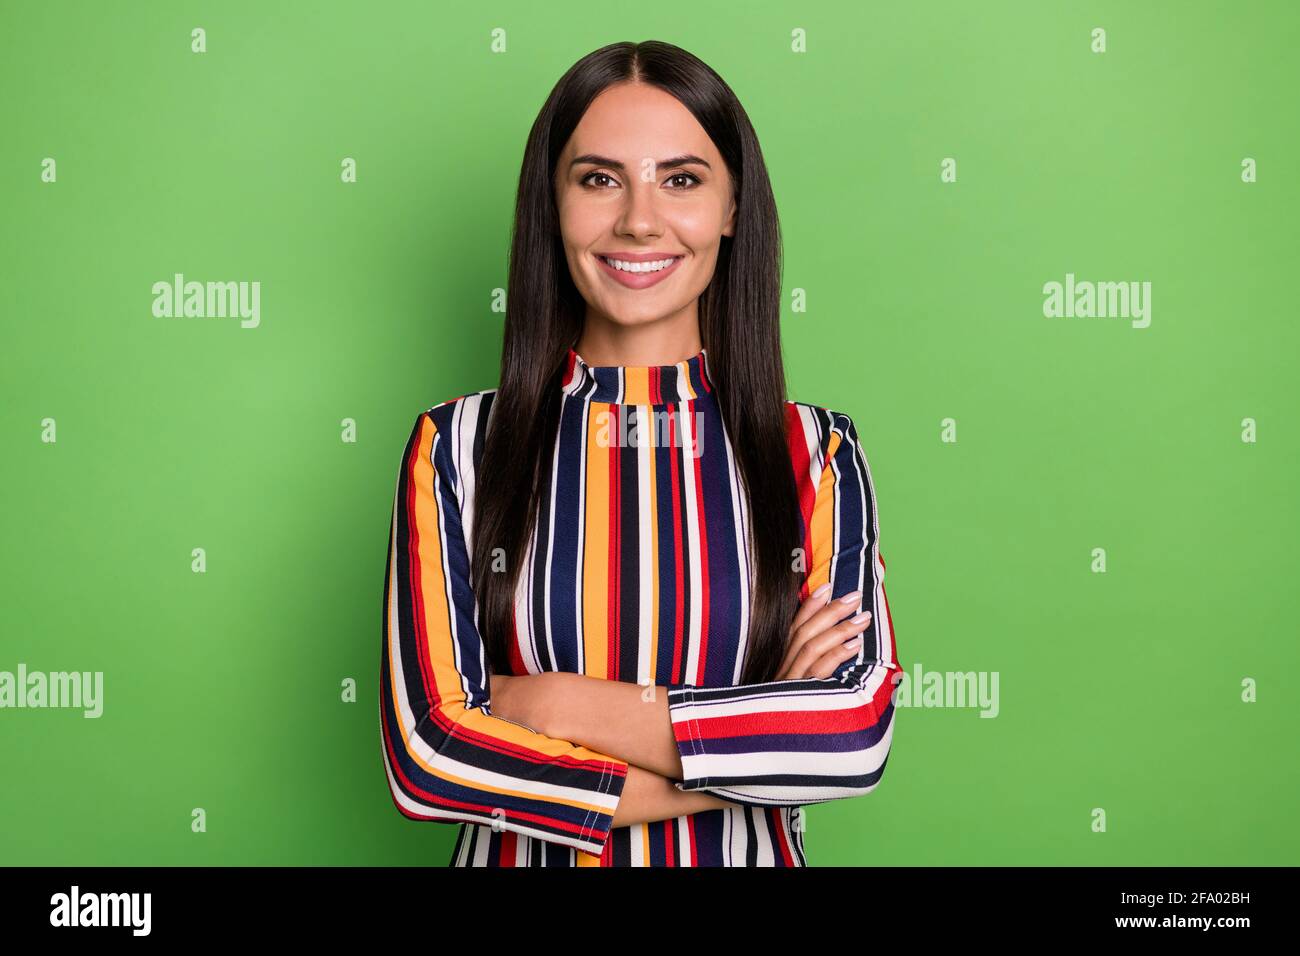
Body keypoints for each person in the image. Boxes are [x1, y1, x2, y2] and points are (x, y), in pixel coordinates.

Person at [379, 40, 900, 867]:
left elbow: (850, 738)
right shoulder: (458, 447)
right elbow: (428, 757)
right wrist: (761, 730)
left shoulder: (815, 450)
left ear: (733, 207)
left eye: (682, 179)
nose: (639, 219)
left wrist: (554, 703)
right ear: (552, 203)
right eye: (598, 179)